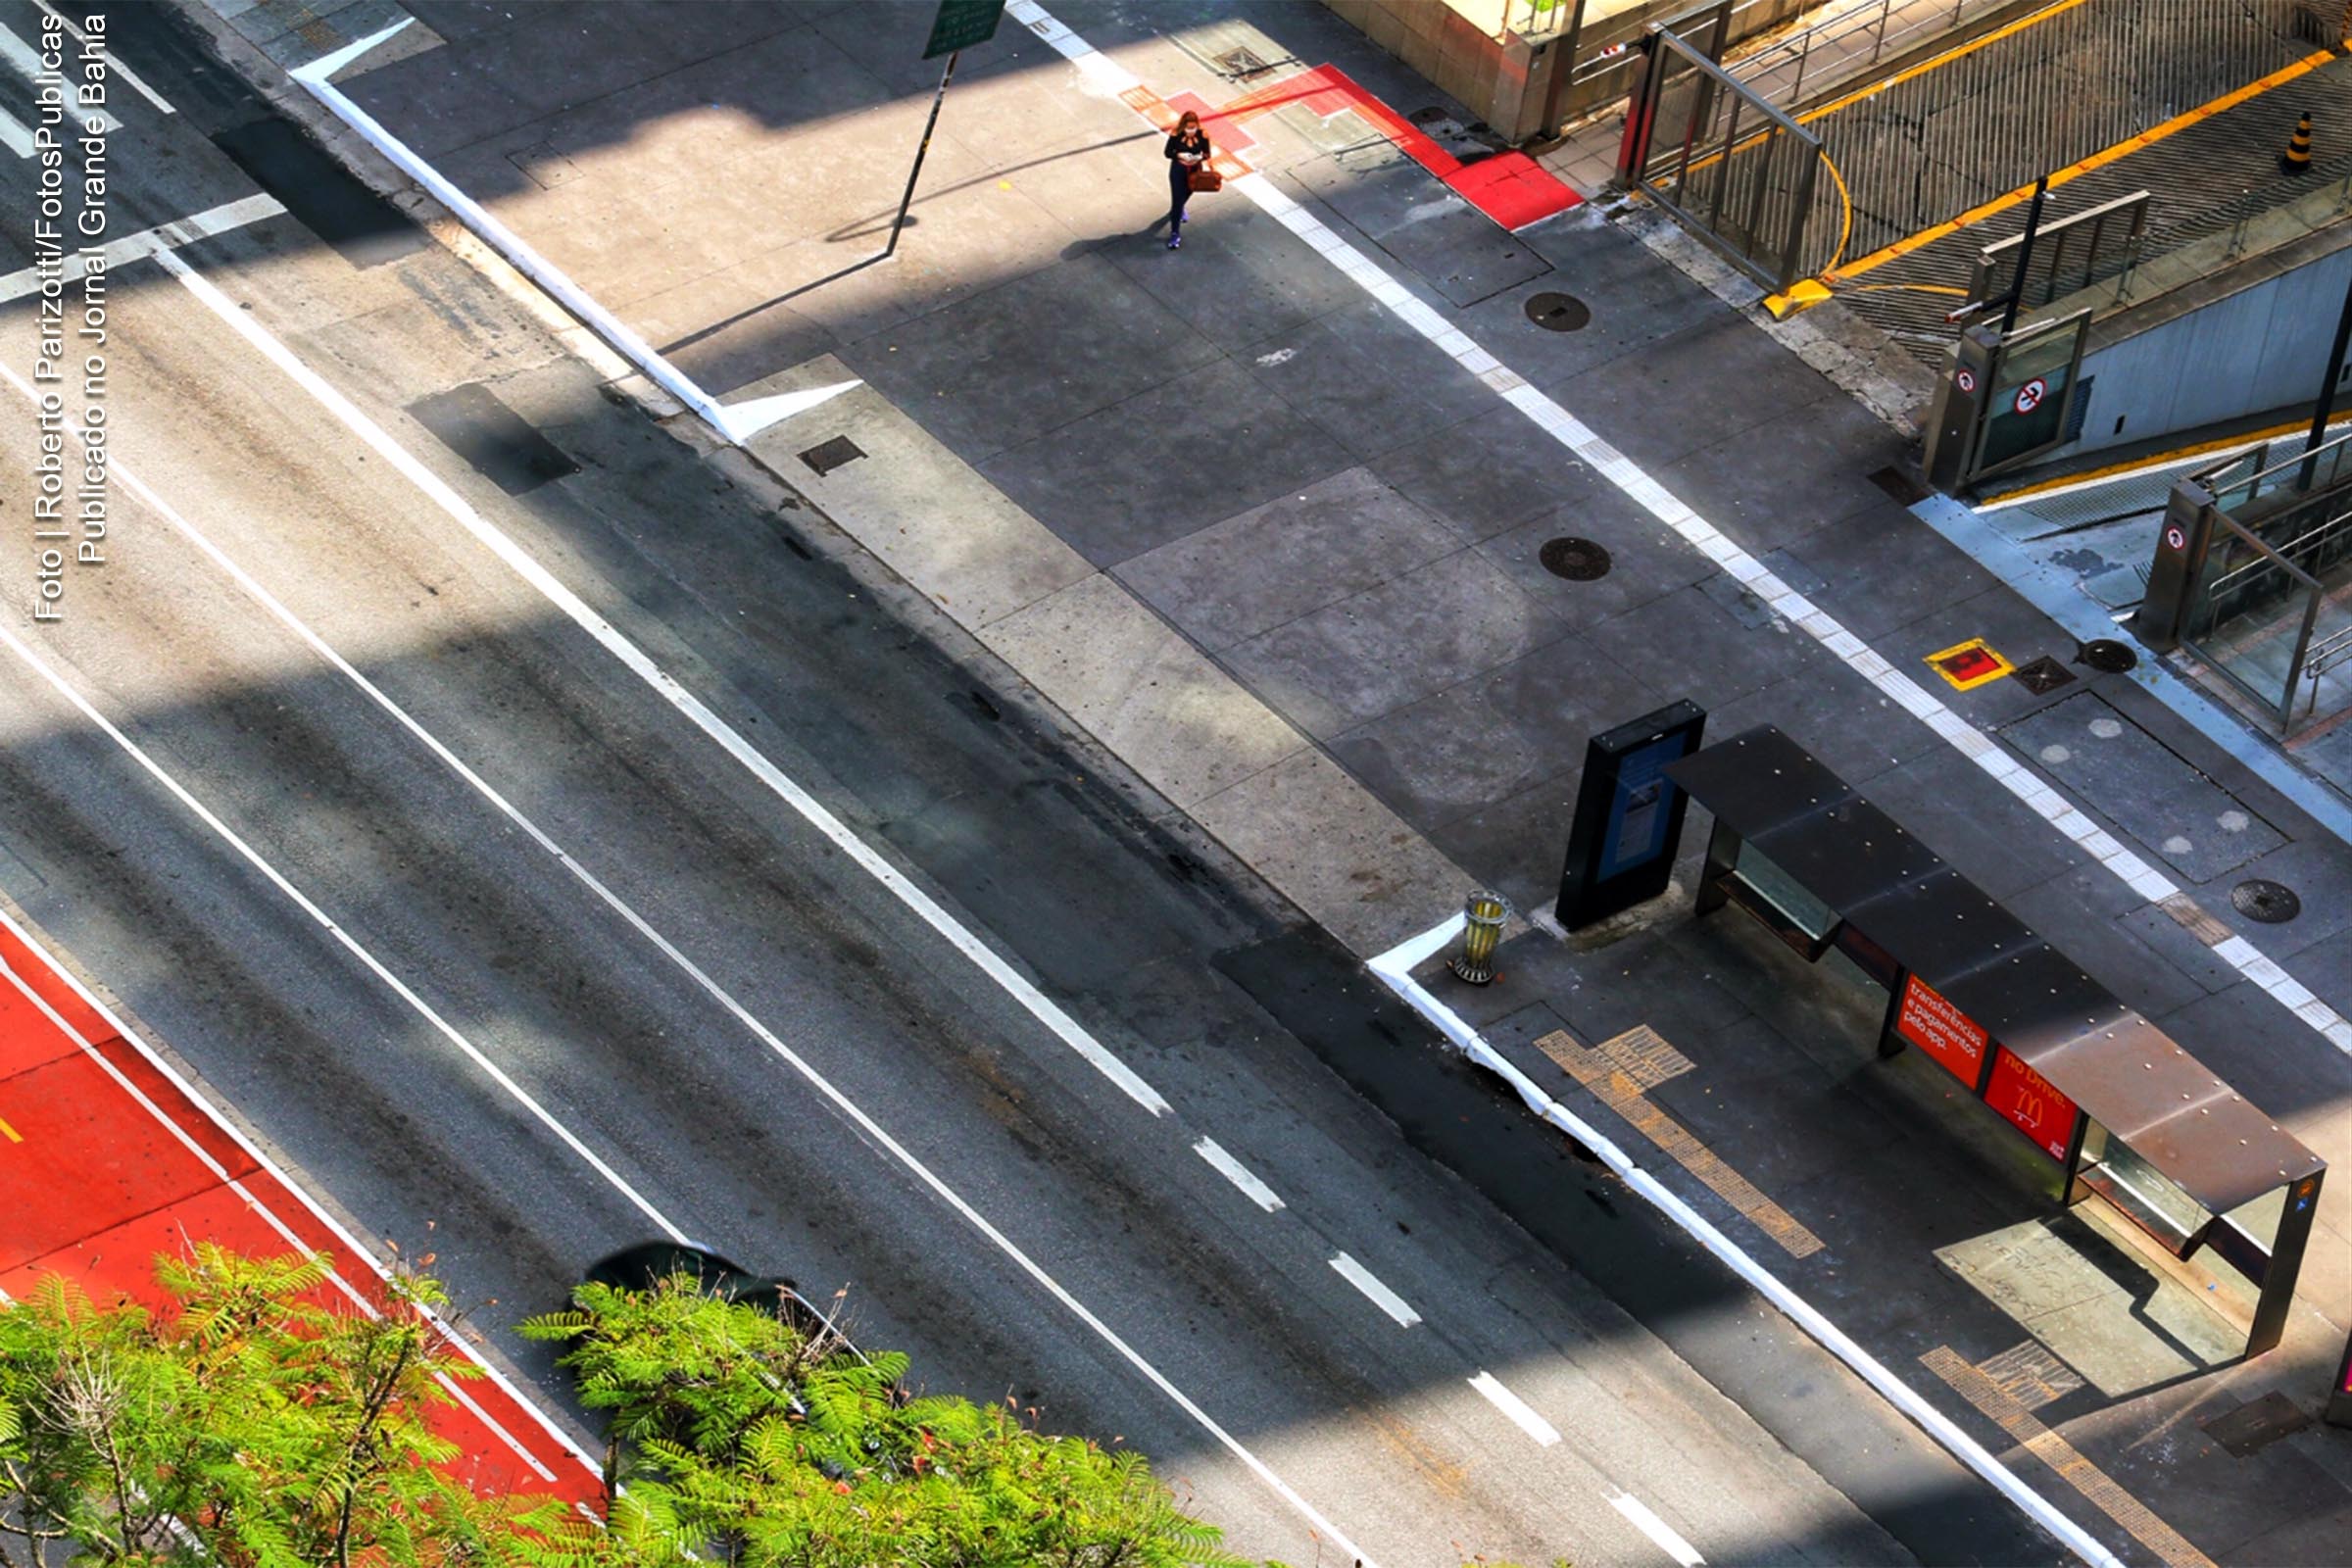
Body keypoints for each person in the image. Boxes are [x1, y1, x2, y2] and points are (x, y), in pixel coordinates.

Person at [1164, 111, 1210, 250]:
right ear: (1183, 126)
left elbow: (1207, 153)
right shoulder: (1175, 134)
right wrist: (1180, 155)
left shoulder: (1203, 134)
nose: (1191, 131)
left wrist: (1199, 158)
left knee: (1189, 192)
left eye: (1193, 128)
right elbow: (1167, 153)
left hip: (1195, 169)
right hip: (1178, 169)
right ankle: (1175, 233)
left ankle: (1178, 208)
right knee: (1177, 201)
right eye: (1188, 128)